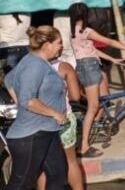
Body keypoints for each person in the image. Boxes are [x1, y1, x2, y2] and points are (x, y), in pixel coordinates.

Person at [68, 2, 125, 158]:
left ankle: (96, 129)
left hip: (91, 65)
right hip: (89, 68)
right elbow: (109, 42)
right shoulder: (86, 31)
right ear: (85, 15)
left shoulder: (74, 32)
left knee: (104, 100)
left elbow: (92, 50)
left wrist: (113, 59)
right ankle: (84, 147)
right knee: (93, 106)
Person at [4, 26, 68, 190]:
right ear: (47, 45)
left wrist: (20, 100)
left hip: (46, 131)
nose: (61, 46)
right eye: (58, 43)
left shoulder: (33, 61)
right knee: (21, 184)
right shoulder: (35, 65)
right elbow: (29, 101)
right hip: (31, 135)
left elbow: (9, 80)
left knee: (58, 174)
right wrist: (56, 114)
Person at [37, 56, 84, 190]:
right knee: (70, 161)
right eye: (58, 43)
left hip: (39, 122)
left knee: (43, 165)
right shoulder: (64, 67)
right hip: (64, 119)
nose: (61, 47)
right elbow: (75, 97)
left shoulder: (28, 67)